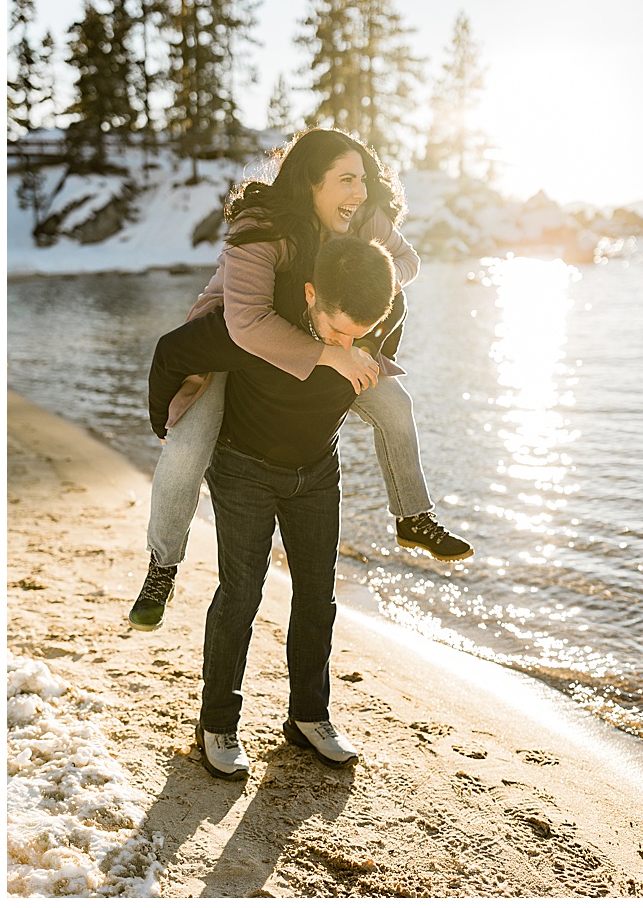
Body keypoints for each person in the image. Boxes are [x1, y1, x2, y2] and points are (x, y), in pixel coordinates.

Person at [130, 129, 473, 633]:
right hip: (237, 346)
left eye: (363, 179)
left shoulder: (364, 216)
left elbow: (407, 261)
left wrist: (365, 277)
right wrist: (328, 355)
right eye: (346, 180)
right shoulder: (262, 225)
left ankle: (412, 517)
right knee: (186, 448)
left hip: (330, 328)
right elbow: (245, 322)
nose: (359, 191)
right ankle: (162, 567)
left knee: (395, 404)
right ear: (312, 183)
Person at [148, 235, 398, 780]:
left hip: (317, 471)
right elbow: (171, 352)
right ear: (310, 294)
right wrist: (166, 427)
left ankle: (309, 717)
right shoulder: (252, 329)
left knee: (317, 594)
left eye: (358, 337)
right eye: (336, 332)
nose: (346, 345)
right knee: (242, 592)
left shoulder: (377, 313)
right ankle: (216, 723)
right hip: (243, 468)